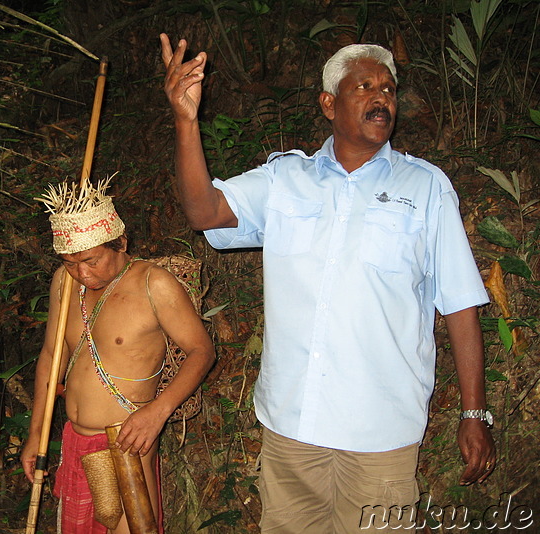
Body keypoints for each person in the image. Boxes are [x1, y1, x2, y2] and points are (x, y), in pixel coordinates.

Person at [160, 35, 496, 533]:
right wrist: (186, 121)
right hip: (292, 428)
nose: (382, 97)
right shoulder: (284, 180)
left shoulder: (426, 187)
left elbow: (460, 305)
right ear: (328, 103)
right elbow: (204, 211)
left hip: (380, 433)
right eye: (365, 86)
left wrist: (475, 412)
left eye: (389, 89)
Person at [21, 178, 215, 534]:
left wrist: (157, 412)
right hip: (75, 438)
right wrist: (37, 432)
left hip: (128, 441)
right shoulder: (65, 284)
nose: (82, 273)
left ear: (120, 243)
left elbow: (201, 351)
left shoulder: (153, 284)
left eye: (90, 260)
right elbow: (52, 355)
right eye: (69, 262)